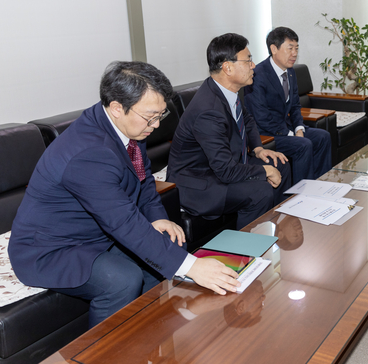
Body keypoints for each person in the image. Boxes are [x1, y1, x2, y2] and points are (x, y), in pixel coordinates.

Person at [8, 62, 240, 328]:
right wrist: (193, 267)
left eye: (160, 116)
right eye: (150, 116)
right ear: (117, 107)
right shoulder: (88, 153)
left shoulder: (130, 126)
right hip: (50, 249)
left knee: (167, 243)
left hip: (93, 233)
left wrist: (157, 218)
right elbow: (122, 222)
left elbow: (143, 181)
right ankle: (104, 353)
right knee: (122, 279)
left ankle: (150, 335)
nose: (155, 125)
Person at [167, 33, 291, 229]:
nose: (254, 65)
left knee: (279, 162)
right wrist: (264, 170)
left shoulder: (226, 91)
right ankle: (247, 252)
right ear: (228, 67)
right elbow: (225, 170)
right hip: (200, 181)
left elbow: (247, 120)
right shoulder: (208, 110)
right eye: (248, 60)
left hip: (222, 166)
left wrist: (258, 149)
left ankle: (273, 226)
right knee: (260, 191)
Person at [243, 27, 332, 184]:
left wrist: (299, 128)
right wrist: (290, 134)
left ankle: (320, 184)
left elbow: (295, 105)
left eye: (296, 48)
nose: (294, 54)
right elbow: (261, 117)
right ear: (274, 49)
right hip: (267, 134)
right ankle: (301, 193)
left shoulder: (290, 72)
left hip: (286, 128)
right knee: (303, 144)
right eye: (290, 48)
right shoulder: (257, 75)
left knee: (322, 136)